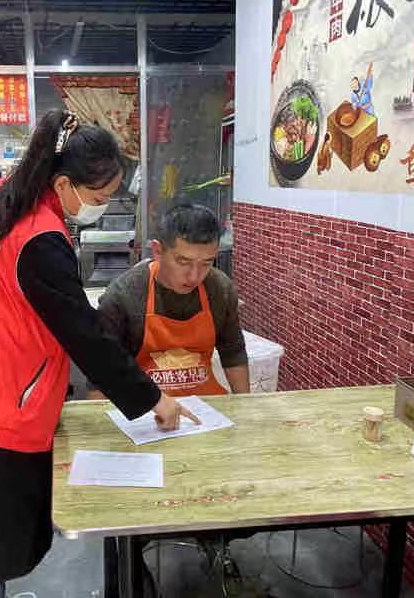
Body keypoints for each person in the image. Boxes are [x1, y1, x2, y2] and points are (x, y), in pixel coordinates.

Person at [0, 109, 199, 598]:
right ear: (62, 184)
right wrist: (153, 399)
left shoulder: (0, 196)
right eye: (98, 199)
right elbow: (84, 335)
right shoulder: (40, 240)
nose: (102, 206)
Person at [87, 202, 249, 592]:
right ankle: (129, 565)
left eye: (207, 263)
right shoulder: (123, 297)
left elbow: (232, 350)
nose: (194, 276)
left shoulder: (219, 289)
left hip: (205, 418)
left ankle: (215, 540)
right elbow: (100, 380)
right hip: (146, 423)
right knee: (130, 520)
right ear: (158, 251)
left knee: (234, 500)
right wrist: (105, 449)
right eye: (184, 262)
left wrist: (247, 412)